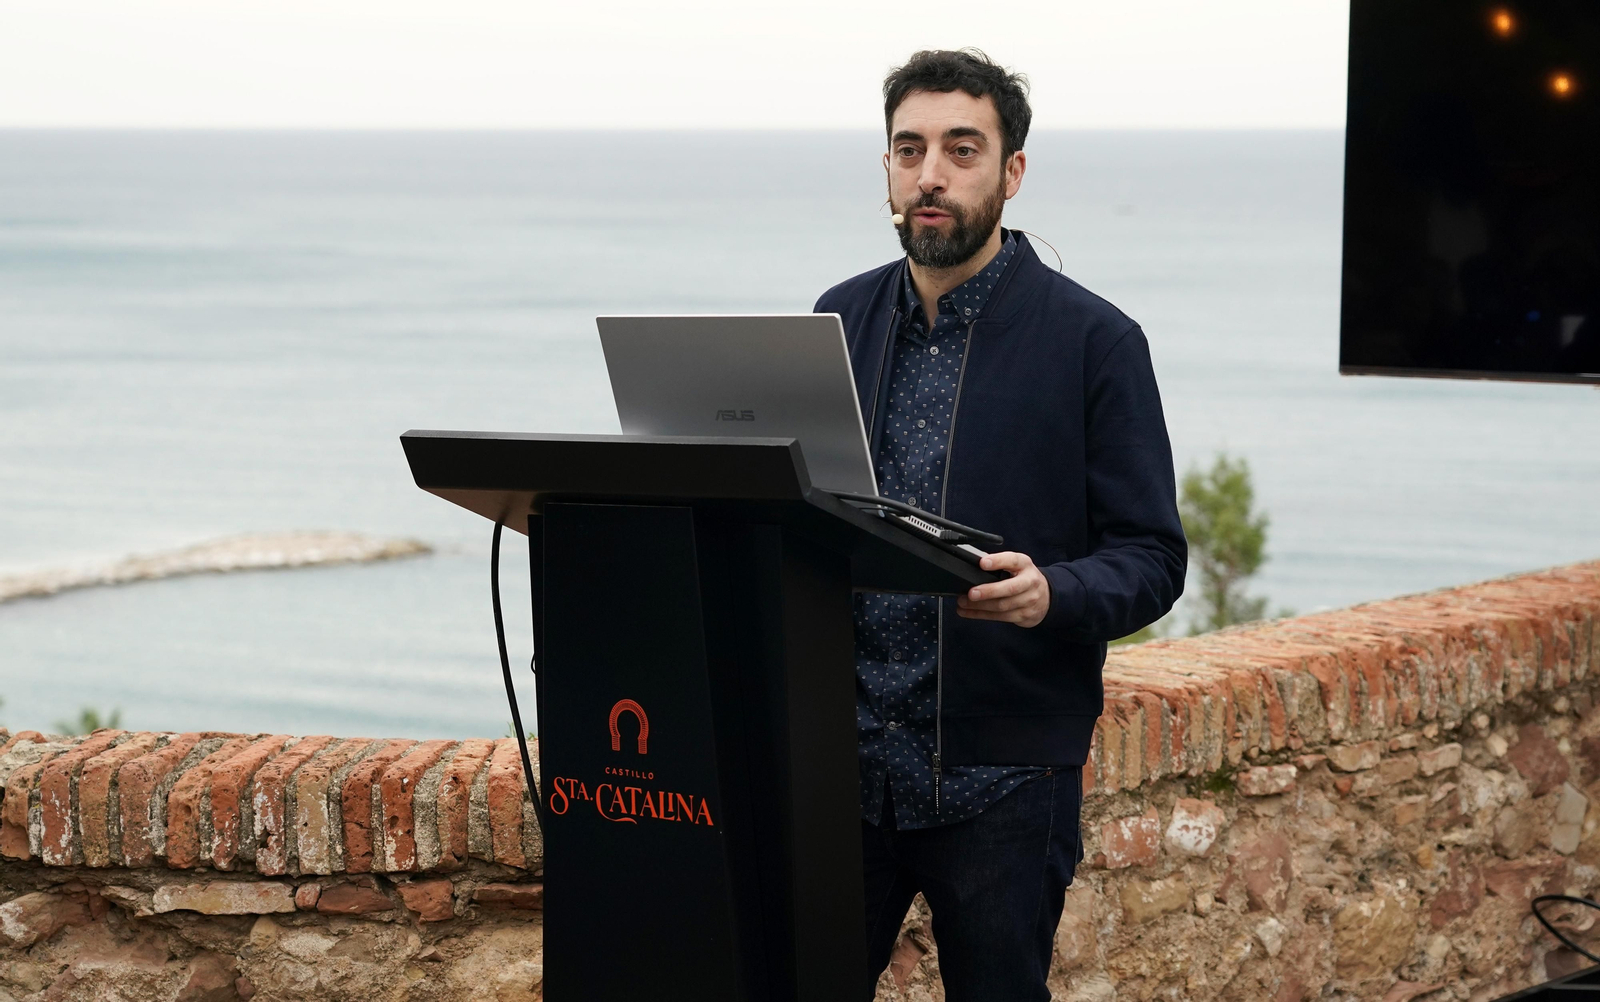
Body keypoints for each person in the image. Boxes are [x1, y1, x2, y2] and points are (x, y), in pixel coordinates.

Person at [812, 49, 1187, 1000]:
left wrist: (1053, 593)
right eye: (909, 149)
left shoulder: (1096, 341)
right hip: (840, 768)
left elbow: (1153, 556)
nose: (930, 174)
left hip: (1006, 779)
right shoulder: (836, 319)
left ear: (1011, 172)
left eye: (960, 149)